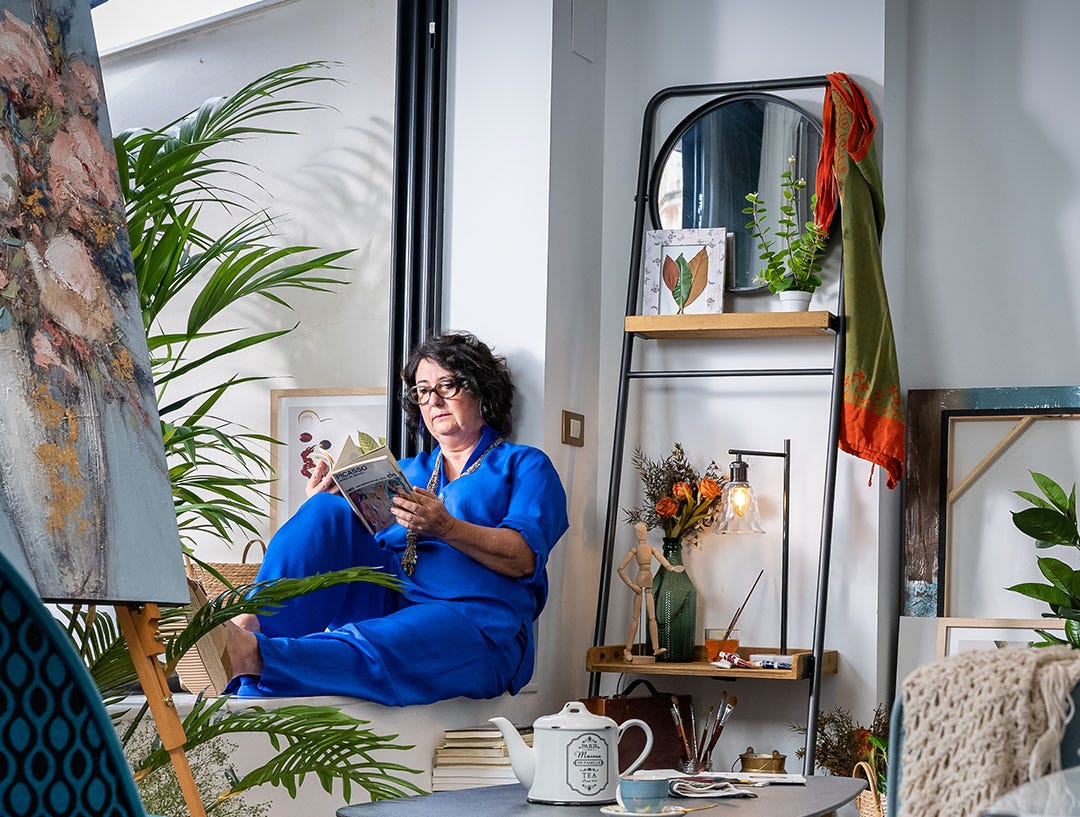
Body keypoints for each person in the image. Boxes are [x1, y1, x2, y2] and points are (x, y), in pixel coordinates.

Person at [223, 331, 569, 705]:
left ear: (481, 390)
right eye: (422, 391)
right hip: (392, 596)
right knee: (326, 510)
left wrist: (447, 527)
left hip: (477, 622)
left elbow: (524, 559)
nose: (432, 400)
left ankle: (252, 657)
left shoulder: (525, 464)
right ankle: (249, 626)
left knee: (384, 642)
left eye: (446, 386)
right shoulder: (404, 472)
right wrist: (323, 503)